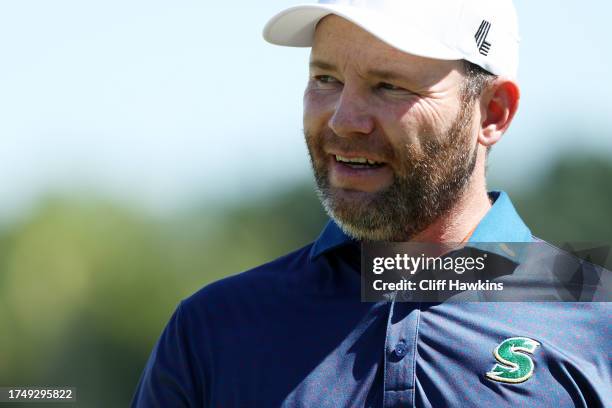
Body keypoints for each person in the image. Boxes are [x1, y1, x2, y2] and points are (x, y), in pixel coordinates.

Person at [131, 0, 611, 406]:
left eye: (390, 86)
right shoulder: (214, 328)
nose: (344, 120)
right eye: (326, 79)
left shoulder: (598, 317)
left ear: (493, 112)